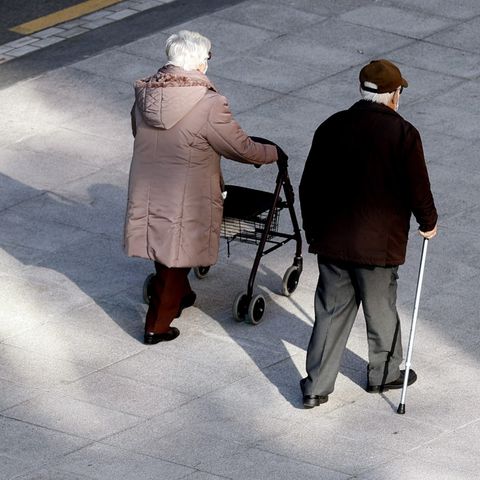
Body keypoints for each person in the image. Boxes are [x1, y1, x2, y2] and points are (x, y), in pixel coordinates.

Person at [124, 30, 280, 345]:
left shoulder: (146, 94)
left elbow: (136, 131)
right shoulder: (208, 103)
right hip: (187, 194)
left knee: (165, 247)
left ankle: (182, 295)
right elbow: (241, 147)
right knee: (176, 256)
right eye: (208, 57)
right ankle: (157, 325)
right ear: (198, 63)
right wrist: (274, 153)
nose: (208, 63)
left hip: (149, 185)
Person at [298, 59, 438, 408]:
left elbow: (308, 185)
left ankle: (316, 386)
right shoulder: (403, 134)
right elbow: (417, 187)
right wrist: (428, 222)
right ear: (394, 95)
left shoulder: (331, 126)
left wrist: (314, 230)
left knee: (330, 311)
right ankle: (385, 374)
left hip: (333, 241)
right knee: (381, 310)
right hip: (378, 246)